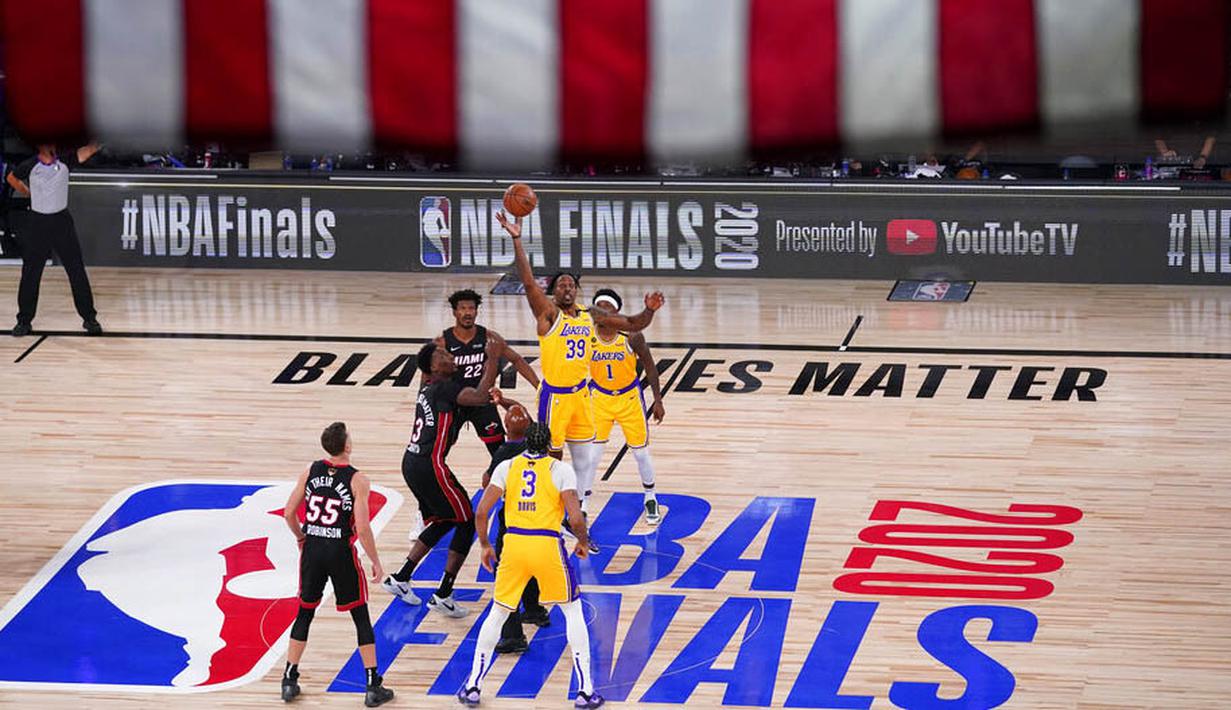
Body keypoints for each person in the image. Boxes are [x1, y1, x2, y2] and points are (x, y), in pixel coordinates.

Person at [495, 209, 663, 550]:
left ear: (577, 290)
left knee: (586, 461)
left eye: (571, 283)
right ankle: (547, 514)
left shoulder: (591, 315)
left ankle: (576, 515)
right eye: (561, 284)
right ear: (554, 292)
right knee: (551, 458)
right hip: (554, 397)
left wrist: (650, 311)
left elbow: (632, 323)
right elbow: (528, 283)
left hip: (582, 397)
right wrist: (516, 239)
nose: (567, 287)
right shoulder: (549, 314)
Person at [456, 422, 603, 709]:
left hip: (513, 545)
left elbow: (483, 510)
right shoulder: (560, 470)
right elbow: (575, 518)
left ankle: (473, 685)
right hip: (546, 544)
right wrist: (583, 541)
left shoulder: (508, 467)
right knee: (572, 611)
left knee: (497, 613)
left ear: (526, 442)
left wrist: (485, 544)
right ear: (549, 445)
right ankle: (585, 691)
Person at [383, 339, 501, 618]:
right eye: (442, 355)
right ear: (433, 368)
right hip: (430, 464)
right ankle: (444, 593)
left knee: (445, 519)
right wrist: (493, 359)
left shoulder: (426, 386)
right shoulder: (444, 388)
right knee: (467, 521)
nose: (449, 356)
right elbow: (481, 396)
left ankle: (401, 577)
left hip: (412, 462)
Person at [280, 422, 394, 707]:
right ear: (347, 446)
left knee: (304, 612)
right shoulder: (357, 479)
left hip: (314, 550)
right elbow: (364, 528)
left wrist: (300, 536)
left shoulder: (310, 471)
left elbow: (288, 512)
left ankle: (289, 678)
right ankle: (371, 685)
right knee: (360, 616)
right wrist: (376, 561)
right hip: (340, 551)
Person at [480, 394, 551, 654]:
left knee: (506, 580)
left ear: (506, 429)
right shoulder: (540, 446)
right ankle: (534, 610)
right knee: (531, 567)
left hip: (513, 522)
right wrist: (504, 402)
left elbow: (487, 484)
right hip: (540, 519)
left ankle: (512, 636)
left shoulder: (505, 453)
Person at [7, 142, 103, 336]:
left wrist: (101, 141)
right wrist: (27, 192)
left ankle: (89, 319)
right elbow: (11, 177)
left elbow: (88, 151)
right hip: (37, 223)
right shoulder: (30, 165)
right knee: (31, 274)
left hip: (61, 222)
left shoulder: (66, 160)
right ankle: (24, 321)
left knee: (76, 270)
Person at [588, 288, 665, 526]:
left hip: (629, 398)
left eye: (606, 307)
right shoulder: (585, 335)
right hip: (599, 398)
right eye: (597, 306)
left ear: (616, 312)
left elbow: (651, 367)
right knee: (591, 457)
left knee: (640, 453)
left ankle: (650, 497)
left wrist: (658, 399)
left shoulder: (632, 336)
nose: (600, 311)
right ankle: (582, 503)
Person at [443, 288, 540, 457]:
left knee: (501, 454)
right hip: (454, 404)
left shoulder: (489, 337)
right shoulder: (444, 341)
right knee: (438, 450)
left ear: (476, 311)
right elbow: (428, 374)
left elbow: (517, 360)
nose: (467, 313)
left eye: (471, 308)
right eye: (463, 308)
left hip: (483, 402)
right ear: (454, 312)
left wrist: (538, 386)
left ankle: (506, 481)